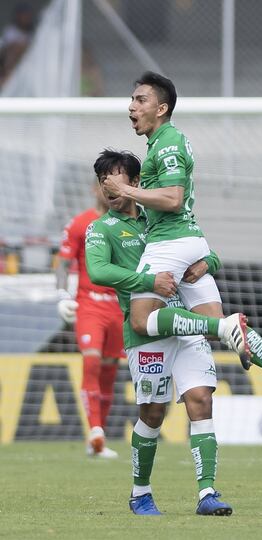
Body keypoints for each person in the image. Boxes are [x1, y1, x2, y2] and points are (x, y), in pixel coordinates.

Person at [86, 149, 262, 515]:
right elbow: (97, 272)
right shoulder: (102, 229)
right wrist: (148, 280)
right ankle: (140, 493)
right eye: (104, 180)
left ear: (136, 182)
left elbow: (209, 253)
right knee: (153, 414)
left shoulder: (159, 219)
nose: (111, 186)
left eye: (118, 177)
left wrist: (207, 262)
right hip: (146, 332)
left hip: (187, 324)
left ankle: (207, 494)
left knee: (201, 400)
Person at [103, 71, 252, 371]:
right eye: (131, 99)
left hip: (170, 240)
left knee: (141, 319)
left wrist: (125, 189)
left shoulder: (167, 141)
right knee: (212, 324)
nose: (132, 106)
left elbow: (172, 198)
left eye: (141, 100)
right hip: (190, 240)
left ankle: (228, 329)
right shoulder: (160, 143)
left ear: (162, 109)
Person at [56, 181, 126, 459]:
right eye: (104, 186)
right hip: (89, 305)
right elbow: (62, 264)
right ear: (94, 189)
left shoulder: (127, 225)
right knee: (92, 360)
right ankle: (95, 429)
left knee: (109, 370)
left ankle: (97, 437)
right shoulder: (80, 223)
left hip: (118, 307)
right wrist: (62, 294)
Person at [0, 2, 34, 86]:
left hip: (27, 68)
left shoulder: (34, 33)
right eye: (24, 15)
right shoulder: (10, 31)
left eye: (27, 15)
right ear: (18, 16)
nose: (26, 17)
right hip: (9, 70)